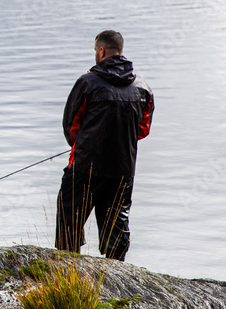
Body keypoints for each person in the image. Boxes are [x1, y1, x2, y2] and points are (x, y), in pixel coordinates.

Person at [55, 30, 154, 261]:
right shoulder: (143, 88)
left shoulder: (87, 82)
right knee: (116, 229)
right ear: (120, 50)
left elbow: (70, 125)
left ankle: (67, 278)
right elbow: (143, 129)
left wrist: (87, 143)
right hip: (123, 169)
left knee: (69, 221)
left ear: (101, 51)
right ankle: (114, 282)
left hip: (84, 168)